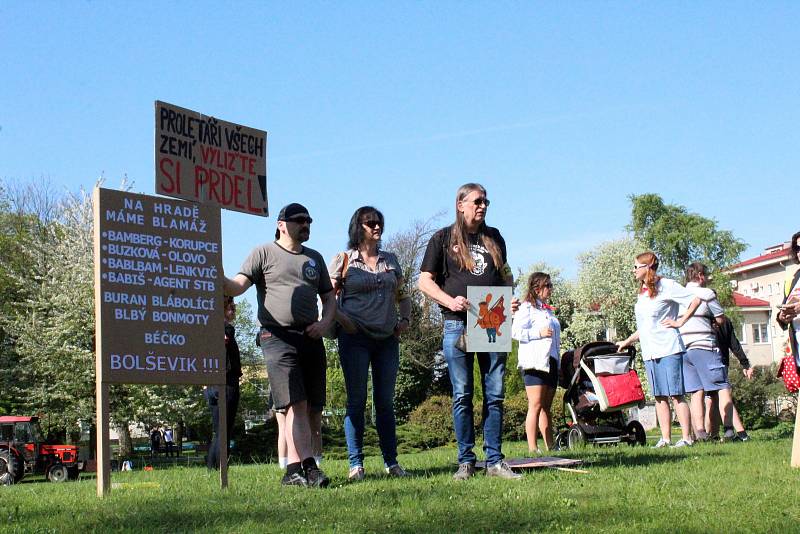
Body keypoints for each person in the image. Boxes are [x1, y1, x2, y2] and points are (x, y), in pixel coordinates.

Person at [224, 203, 335, 488]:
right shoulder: (263, 253)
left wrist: (324, 324)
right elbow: (237, 287)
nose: (306, 224)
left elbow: (330, 299)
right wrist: (215, 272)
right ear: (281, 224)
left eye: (309, 220)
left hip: (310, 338)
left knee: (310, 407)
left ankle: (293, 472)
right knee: (294, 404)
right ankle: (308, 467)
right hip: (277, 337)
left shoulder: (315, 259)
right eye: (299, 220)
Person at [418, 183, 520, 480]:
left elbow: (505, 275)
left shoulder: (494, 237)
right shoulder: (442, 239)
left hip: (490, 321)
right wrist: (451, 301)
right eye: (477, 201)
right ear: (460, 204)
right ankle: (465, 461)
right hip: (457, 322)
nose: (483, 206)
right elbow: (424, 282)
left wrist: (509, 298)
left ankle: (495, 462)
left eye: (486, 201)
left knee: (495, 394)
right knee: (462, 394)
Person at [329, 206, 412, 481]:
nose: (377, 227)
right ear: (358, 227)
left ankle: (392, 462)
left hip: (387, 338)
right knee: (356, 400)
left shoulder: (391, 260)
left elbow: (403, 294)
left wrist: (406, 319)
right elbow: (328, 298)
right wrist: (343, 319)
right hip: (354, 338)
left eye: (379, 223)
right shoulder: (344, 260)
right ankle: (356, 465)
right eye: (370, 223)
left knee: (385, 402)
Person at [617, 251, 703, 448]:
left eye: (636, 267)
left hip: (669, 347)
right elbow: (646, 326)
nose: (633, 270)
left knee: (675, 394)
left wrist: (680, 321)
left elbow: (695, 300)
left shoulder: (667, 285)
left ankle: (687, 438)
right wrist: (627, 341)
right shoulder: (642, 293)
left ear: (648, 267)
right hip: (650, 350)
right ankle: (665, 438)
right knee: (659, 395)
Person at [678, 262, 735, 442]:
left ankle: (701, 432)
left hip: (684, 348)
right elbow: (720, 319)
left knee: (696, 390)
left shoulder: (679, 294)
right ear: (701, 276)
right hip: (704, 345)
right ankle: (728, 429)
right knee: (722, 385)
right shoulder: (706, 293)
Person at [512, 272, 560, 454]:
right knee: (536, 404)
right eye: (547, 285)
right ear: (536, 288)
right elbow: (515, 332)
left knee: (546, 407)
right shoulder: (526, 308)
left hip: (551, 361)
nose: (550, 289)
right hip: (534, 362)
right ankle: (533, 447)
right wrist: (537, 333)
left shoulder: (547, 309)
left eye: (550, 285)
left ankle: (552, 447)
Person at [206, 295, 242, 469]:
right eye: (230, 306)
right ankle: (221, 467)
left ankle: (212, 466)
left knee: (218, 430)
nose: (233, 310)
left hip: (211, 384)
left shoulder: (207, 328)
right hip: (226, 384)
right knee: (224, 430)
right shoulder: (225, 330)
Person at [706, 315, 753, 441]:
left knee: (712, 399)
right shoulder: (724, 319)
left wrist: (745, 363)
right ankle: (738, 434)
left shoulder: (703, 319)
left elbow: (733, 342)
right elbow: (734, 343)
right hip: (722, 362)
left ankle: (711, 435)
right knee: (721, 398)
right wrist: (745, 363)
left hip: (708, 362)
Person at [777, 231, 800, 370]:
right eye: (797, 248)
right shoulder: (794, 278)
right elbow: (785, 305)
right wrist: (782, 316)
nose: (799, 252)